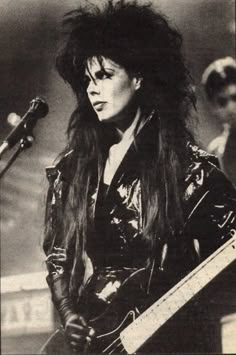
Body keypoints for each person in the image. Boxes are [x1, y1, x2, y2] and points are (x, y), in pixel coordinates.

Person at [42, 1, 236, 353]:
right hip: (98, 334)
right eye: (87, 79)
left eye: (104, 75)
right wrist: (69, 313)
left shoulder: (190, 170)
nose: (92, 89)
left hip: (172, 337)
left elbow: (226, 264)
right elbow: (59, 254)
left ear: (139, 76)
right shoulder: (75, 168)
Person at [202, 56, 236, 185]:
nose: (231, 107)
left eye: (235, 97)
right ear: (213, 107)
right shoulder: (215, 154)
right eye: (222, 102)